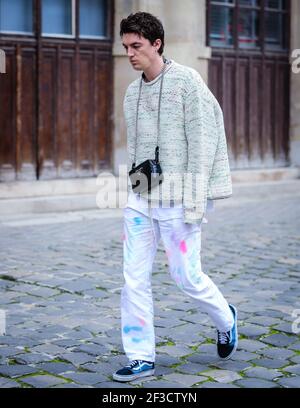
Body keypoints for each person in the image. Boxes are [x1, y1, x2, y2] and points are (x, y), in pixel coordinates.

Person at [113, 11, 238, 383]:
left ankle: (226, 318)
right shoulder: (133, 91)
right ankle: (140, 356)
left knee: (186, 277)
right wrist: (135, 194)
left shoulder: (187, 82)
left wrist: (196, 202)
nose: (130, 54)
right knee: (132, 278)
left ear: (157, 43)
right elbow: (137, 151)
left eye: (136, 46)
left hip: (181, 198)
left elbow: (202, 144)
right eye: (125, 47)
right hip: (142, 199)